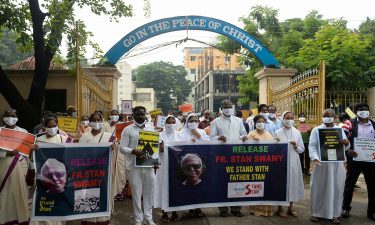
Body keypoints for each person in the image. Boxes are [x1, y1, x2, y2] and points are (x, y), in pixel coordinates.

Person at [309, 109, 350, 224]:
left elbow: (345, 146)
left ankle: (334, 214)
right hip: (321, 165)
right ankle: (316, 213)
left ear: (334, 117)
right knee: (319, 188)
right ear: (322, 117)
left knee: (336, 188)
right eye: (324, 115)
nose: (327, 117)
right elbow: (312, 147)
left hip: (337, 165)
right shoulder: (317, 130)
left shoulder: (339, 130)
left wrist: (347, 143)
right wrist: (315, 158)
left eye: (329, 116)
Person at [119, 106, 157, 225]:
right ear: (133, 115)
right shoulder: (127, 129)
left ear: (146, 115)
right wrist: (133, 151)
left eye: (143, 114)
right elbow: (122, 148)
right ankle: (138, 220)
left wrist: (156, 160)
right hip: (134, 168)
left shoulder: (151, 129)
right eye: (138, 114)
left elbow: (154, 147)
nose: (141, 116)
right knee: (136, 194)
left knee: (149, 193)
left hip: (149, 166)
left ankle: (149, 218)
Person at [210, 100, 246, 218]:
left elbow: (243, 134)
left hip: (236, 156)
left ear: (232, 107)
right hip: (222, 156)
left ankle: (236, 208)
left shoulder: (239, 120)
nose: (228, 108)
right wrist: (218, 138)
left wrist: (243, 138)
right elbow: (212, 137)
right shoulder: (216, 122)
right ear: (221, 108)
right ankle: (223, 209)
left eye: (230, 106)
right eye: (225, 106)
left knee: (236, 181)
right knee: (223, 182)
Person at [79, 112, 114, 225]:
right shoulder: (84, 137)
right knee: (88, 196)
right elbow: (79, 154)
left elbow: (114, 155)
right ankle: (88, 220)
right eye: (94, 120)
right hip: (88, 174)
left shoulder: (109, 137)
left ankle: (102, 220)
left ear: (102, 121)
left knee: (102, 195)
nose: (96, 122)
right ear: (90, 122)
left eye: (99, 120)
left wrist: (114, 148)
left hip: (103, 174)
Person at [342, 103, 375, 221]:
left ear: (369, 111)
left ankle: (372, 211)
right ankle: (345, 208)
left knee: (372, 186)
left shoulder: (374, 125)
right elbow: (342, 137)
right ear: (356, 112)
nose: (364, 111)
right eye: (361, 109)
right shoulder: (349, 123)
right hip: (354, 159)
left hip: (371, 160)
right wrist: (348, 150)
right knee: (349, 185)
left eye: (366, 109)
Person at [0, 109, 32, 225]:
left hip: (21, 165)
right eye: (7, 115)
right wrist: (8, 153)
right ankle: (5, 217)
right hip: (3, 165)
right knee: (5, 192)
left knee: (20, 191)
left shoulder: (23, 132)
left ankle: (20, 217)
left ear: (17, 118)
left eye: (13, 115)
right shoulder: (0, 131)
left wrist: (32, 149)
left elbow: (27, 149)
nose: (10, 118)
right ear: (3, 117)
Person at [178, 113, 210, 217]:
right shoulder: (181, 132)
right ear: (187, 122)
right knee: (187, 186)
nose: (193, 122)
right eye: (191, 120)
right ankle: (189, 207)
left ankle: (198, 208)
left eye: (196, 120)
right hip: (186, 164)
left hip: (198, 164)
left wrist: (198, 135)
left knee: (198, 186)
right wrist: (188, 142)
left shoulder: (201, 131)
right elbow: (177, 146)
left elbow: (208, 143)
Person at [275, 111, 305, 218]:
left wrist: (296, 146)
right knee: (281, 185)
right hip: (281, 162)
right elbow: (273, 149)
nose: (289, 120)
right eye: (287, 118)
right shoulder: (277, 132)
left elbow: (302, 149)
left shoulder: (297, 132)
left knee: (292, 184)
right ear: (283, 119)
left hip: (293, 162)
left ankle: (290, 208)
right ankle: (280, 208)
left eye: (291, 118)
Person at [247, 115, 276, 217]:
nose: (261, 123)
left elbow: (273, 149)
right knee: (256, 186)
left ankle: (266, 210)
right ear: (255, 123)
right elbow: (247, 150)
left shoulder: (268, 134)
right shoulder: (251, 134)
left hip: (267, 165)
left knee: (267, 186)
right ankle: (255, 209)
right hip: (255, 165)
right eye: (258, 121)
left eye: (263, 121)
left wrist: (277, 142)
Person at [156, 115, 180, 222]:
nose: (171, 124)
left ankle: (175, 212)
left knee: (175, 189)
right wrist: (161, 147)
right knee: (163, 189)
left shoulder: (179, 135)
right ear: (165, 124)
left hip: (176, 166)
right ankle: (164, 213)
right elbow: (158, 150)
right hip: (163, 166)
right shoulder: (159, 135)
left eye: (173, 122)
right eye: (169, 122)